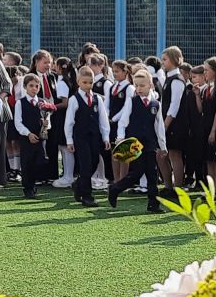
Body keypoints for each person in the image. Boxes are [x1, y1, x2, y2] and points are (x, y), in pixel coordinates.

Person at [109, 65, 165, 213]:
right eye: (136, 85)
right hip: (135, 143)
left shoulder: (156, 104)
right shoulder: (131, 101)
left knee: (152, 174)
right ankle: (115, 188)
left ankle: (154, 204)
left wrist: (163, 146)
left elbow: (160, 126)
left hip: (150, 143)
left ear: (150, 85)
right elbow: (123, 122)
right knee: (137, 172)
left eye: (142, 85)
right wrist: (120, 138)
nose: (139, 88)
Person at [64, 66, 109, 209]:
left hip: (95, 137)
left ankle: (78, 184)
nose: (88, 86)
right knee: (85, 164)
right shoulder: (74, 99)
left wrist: (106, 137)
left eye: (90, 82)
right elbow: (69, 121)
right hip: (81, 137)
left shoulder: (97, 99)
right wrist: (69, 140)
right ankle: (87, 196)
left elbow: (103, 119)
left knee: (94, 162)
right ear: (78, 82)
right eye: (85, 82)